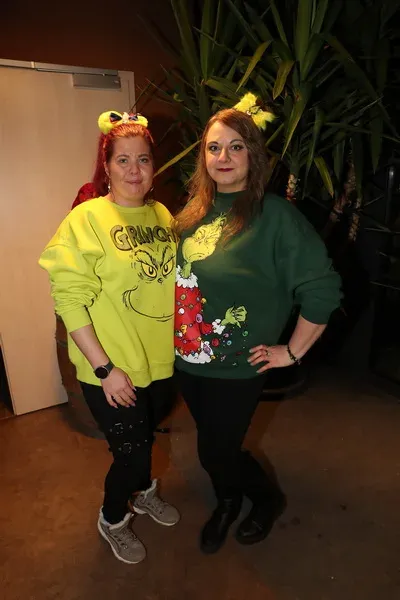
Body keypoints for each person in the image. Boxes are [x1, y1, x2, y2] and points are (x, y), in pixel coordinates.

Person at [174, 97, 342, 554]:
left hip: (237, 365)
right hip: (188, 360)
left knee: (214, 451)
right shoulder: (192, 213)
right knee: (217, 445)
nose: (223, 157)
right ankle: (229, 498)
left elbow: (323, 288)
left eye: (236, 147)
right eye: (214, 148)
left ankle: (264, 499)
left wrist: (293, 351)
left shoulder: (275, 216)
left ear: (253, 154)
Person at [39, 110, 180, 565]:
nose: (134, 170)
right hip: (113, 370)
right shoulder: (86, 219)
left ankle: (145, 492)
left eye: (143, 159)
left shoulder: (161, 214)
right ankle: (113, 518)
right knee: (130, 455)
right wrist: (105, 369)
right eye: (123, 160)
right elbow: (69, 300)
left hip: (161, 361)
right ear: (106, 166)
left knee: (146, 439)